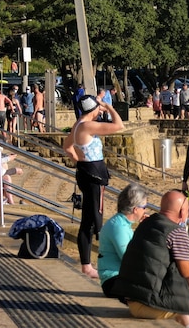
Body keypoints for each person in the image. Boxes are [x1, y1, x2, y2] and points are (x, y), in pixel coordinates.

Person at [115, 190, 189, 327]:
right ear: (182, 212)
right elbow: (187, 275)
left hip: (134, 302)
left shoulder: (147, 224)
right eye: (188, 210)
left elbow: (165, 262)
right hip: (153, 305)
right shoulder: (176, 232)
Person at [63, 94, 124, 279]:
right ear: (93, 110)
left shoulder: (79, 123)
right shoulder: (87, 125)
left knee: (89, 220)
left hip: (88, 171)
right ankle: (93, 264)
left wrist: (79, 160)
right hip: (93, 175)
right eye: (98, 109)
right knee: (94, 220)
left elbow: (67, 147)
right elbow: (119, 126)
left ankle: (87, 264)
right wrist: (110, 107)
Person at [97, 183, 149, 298]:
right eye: (144, 207)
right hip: (113, 280)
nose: (145, 211)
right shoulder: (118, 227)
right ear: (135, 209)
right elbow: (129, 259)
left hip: (121, 278)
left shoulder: (123, 224)